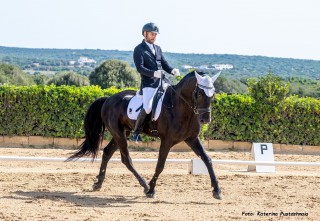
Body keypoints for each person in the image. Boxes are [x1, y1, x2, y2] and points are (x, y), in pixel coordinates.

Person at [131, 22, 180, 141]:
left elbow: (164, 64)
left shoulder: (158, 48)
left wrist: (172, 70)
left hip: (162, 81)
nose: (154, 36)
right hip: (149, 84)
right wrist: (154, 73)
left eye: (155, 34)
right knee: (148, 107)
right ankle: (136, 132)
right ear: (144, 34)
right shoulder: (139, 49)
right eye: (152, 34)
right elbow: (140, 68)